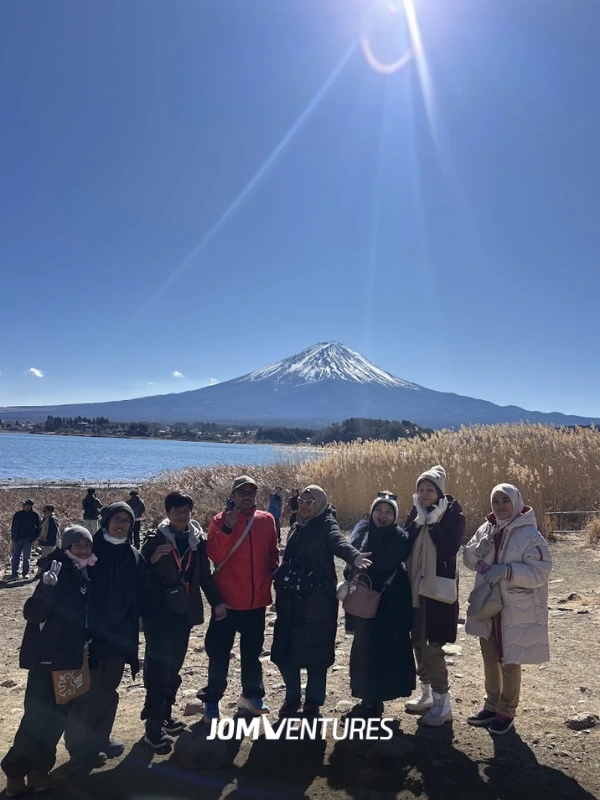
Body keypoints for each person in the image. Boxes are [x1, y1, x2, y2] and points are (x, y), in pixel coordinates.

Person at [1, 526, 97, 797]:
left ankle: (39, 770)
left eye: (87, 545)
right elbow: (33, 614)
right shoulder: (55, 571)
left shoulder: (85, 573)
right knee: (36, 717)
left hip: (71, 659)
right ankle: (15, 772)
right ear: (66, 547)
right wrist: (46, 588)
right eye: (77, 545)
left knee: (58, 718)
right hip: (46, 661)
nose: (83, 550)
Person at [270, 485, 371, 718]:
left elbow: (338, 541)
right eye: (302, 501)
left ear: (320, 504)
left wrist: (354, 556)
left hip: (317, 601)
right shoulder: (297, 525)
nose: (305, 506)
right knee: (285, 651)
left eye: (310, 502)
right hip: (291, 598)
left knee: (316, 654)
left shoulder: (327, 523)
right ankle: (292, 697)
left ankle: (312, 702)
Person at [140, 491, 227, 751]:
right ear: (167, 513)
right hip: (158, 614)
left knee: (174, 666)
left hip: (184, 612)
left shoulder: (197, 540)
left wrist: (217, 602)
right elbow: (139, 577)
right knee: (157, 669)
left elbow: (204, 575)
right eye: (176, 510)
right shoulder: (154, 540)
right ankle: (153, 726)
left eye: (186, 510)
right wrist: (152, 561)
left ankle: (165, 715)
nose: (181, 515)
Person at [463, 484, 552, 735]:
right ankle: (491, 705)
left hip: (514, 607)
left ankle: (507, 710)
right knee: (489, 656)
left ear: (516, 501)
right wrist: (477, 552)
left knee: (510, 660)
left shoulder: (530, 534)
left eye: (505, 500)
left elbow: (540, 572)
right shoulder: (486, 528)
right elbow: (468, 560)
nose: (500, 506)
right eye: (496, 501)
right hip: (488, 604)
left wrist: (507, 571)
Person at [64, 502, 143, 768]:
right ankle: (79, 746)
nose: (121, 525)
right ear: (106, 520)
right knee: (86, 693)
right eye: (116, 519)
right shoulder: (90, 549)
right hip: (91, 636)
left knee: (109, 690)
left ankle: (100, 738)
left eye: (126, 520)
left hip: (120, 636)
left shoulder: (133, 554)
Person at [198, 476, 279, 722]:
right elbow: (214, 555)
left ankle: (251, 696)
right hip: (227, 602)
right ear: (232, 496)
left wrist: (271, 575)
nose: (247, 497)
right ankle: (212, 701)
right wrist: (228, 527)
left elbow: (273, 553)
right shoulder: (219, 520)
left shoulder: (266, 520)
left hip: (256, 602)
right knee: (219, 654)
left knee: (252, 654)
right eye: (242, 493)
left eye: (251, 493)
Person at [343, 492, 415, 718]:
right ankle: (368, 700)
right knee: (363, 651)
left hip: (389, 606)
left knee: (380, 653)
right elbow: (351, 565)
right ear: (372, 512)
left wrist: (362, 554)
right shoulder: (362, 532)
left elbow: (382, 564)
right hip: (366, 602)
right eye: (378, 510)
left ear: (395, 516)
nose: (383, 515)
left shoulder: (399, 538)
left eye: (388, 512)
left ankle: (373, 704)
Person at [403, 465, 465, 726]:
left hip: (437, 591)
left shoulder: (453, 514)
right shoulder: (416, 510)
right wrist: (418, 521)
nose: (425, 493)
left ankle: (443, 703)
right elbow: (403, 543)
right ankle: (427, 694)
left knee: (432, 645)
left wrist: (434, 523)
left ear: (440, 491)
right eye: (421, 488)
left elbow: (449, 549)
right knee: (417, 641)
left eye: (430, 489)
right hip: (414, 588)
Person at [10, 500, 41, 580]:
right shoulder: (18, 514)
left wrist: (34, 537)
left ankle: (25, 573)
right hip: (17, 538)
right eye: (23, 505)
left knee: (26, 557)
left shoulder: (34, 515)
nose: (24, 506)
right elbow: (13, 526)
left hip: (28, 539)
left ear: (30, 506)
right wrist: (13, 536)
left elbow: (39, 527)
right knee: (15, 556)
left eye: (25, 505)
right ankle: (14, 574)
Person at [35, 505, 60, 578]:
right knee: (45, 557)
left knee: (45, 558)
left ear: (50, 511)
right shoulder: (46, 519)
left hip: (49, 543)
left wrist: (48, 540)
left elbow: (53, 532)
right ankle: (43, 572)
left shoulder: (52, 519)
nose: (43, 512)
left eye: (45, 511)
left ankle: (40, 573)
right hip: (45, 542)